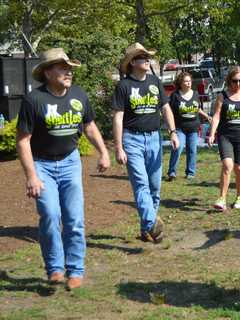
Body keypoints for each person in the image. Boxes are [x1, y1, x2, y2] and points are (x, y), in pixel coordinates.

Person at [16, 48, 110, 289]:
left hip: (70, 162)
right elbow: (23, 140)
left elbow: (89, 126)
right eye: (62, 67)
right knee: (49, 215)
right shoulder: (34, 100)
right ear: (47, 73)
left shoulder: (79, 95)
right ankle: (55, 267)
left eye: (69, 68)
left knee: (75, 219)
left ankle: (75, 269)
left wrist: (104, 152)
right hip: (42, 165)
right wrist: (31, 177)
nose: (68, 72)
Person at [112, 43, 179, 243]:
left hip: (154, 139)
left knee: (155, 187)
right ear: (132, 62)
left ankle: (146, 229)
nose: (147, 59)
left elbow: (166, 109)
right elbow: (117, 118)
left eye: (147, 56)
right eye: (142, 57)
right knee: (141, 184)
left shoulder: (154, 81)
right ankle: (153, 224)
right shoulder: (123, 86)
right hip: (132, 140)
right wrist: (118, 147)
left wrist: (173, 133)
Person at [167, 72, 211, 180]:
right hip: (179, 128)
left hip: (193, 128)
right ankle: (172, 172)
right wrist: (170, 128)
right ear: (180, 83)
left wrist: (207, 116)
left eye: (189, 81)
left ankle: (190, 173)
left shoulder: (195, 94)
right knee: (178, 147)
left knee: (192, 150)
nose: (188, 83)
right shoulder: (175, 95)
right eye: (186, 81)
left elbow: (198, 108)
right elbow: (169, 112)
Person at [208, 66, 240, 211]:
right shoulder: (223, 96)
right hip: (225, 135)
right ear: (229, 80)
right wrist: (212, 133)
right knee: (228, 165)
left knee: (239, 169)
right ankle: (222, 198)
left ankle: (239, 197)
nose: (238, 84)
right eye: (235, 81)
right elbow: (216, 116)